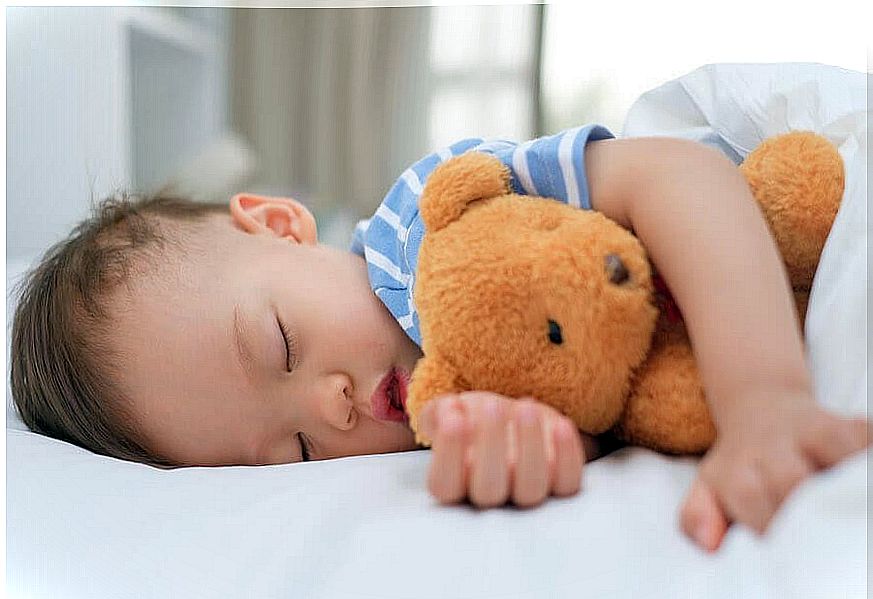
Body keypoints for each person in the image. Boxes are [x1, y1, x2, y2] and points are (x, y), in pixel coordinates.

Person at [10, 124, 869, 555]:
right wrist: (542, 447)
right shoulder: (435, 430)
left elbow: (678, 175)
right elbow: (596, 387)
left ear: (277, 225)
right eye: (297, 452)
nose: (333, 408)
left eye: (280, 345)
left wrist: (760, 398)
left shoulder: (430, 220)